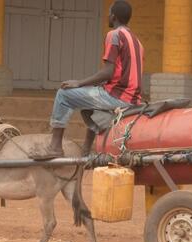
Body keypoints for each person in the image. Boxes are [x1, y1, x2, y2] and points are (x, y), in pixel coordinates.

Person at [34, 0, 143, 159]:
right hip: (133, 98)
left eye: (109, 14)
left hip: (118, 97)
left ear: (113, 16)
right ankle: (86, 149)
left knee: (64, 95)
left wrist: (79, 83)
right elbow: (119, 74)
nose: (107, 17)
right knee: (90, 99)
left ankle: (55, 147)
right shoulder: (137, 41)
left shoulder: (114, 35)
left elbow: (108, 72)